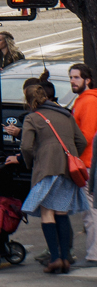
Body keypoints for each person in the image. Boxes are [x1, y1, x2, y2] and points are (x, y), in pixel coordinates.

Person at [5, 84, 89, 274]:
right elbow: (82, 141)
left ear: (28, 100)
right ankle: (66, 257)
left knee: (47, 213)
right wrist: (71, 156)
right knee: (61, 212)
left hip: (46, 170)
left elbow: (26, 146)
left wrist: (30, 162)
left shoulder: (32, 118)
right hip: (68, 170)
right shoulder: (66, 115)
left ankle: (54, 258)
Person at [69, 63, 97, 263]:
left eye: (76, 77)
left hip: (87, 163)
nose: (72, 81)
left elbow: (85, 136)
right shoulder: (86, 100)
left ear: (87, 80)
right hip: (89, 162)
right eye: (71, 77)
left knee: (91, 212)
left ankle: (94, 254)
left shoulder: (86, 102)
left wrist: (70, 154)